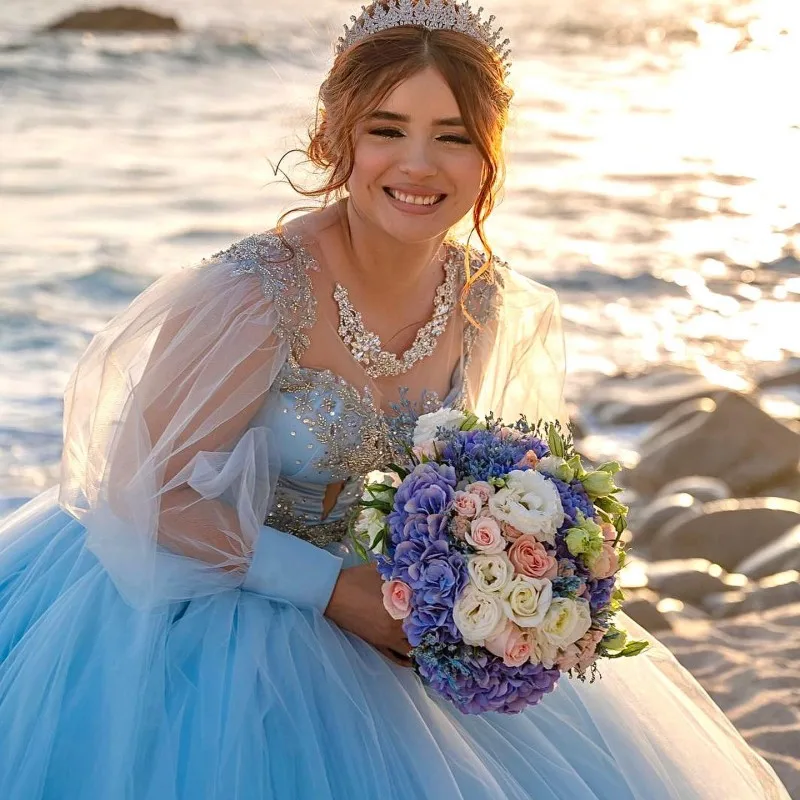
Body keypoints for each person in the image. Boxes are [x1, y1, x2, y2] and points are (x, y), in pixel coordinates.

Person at [0, 1, 790, 798]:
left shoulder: (488, 303)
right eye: (387, 130)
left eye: (453, 136)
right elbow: (144, 491)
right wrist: (333, 591)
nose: (418, 165)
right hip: (211, 613)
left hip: (396, 617)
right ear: (338, 137)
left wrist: (502, 590)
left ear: (490, 155)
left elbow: (478, 485)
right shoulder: (252, 293)